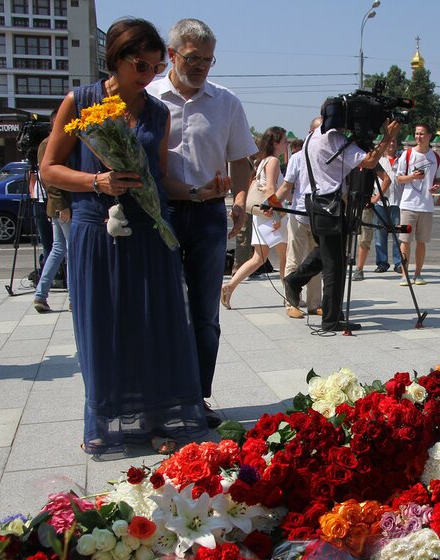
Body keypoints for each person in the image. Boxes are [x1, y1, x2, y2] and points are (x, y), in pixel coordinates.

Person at [40, 18, 208, 455]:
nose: (148, 76)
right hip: (97, 230)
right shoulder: (80, 101)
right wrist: (97, 182)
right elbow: (49, 169)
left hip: (150, 232)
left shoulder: (158, 112)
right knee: (105, 327)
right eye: (141, 65)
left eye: (154, 67)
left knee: (153, 325)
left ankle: (155, 420)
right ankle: (107, 422)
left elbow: (159, 177)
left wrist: (195, 192)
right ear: (115, 58)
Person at [147, 18, 256, 427]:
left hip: (210, 217)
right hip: (161, 214)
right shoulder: (150, 96)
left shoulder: (226, 102)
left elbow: (240, 159)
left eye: (208, 61)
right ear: (172, 54)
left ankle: (197, 397)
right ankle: (162, 396)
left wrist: (241, 199)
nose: (202, 68)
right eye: (193, 59)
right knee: (163, 308)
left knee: (206, 312)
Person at [283, 99, 400, 332]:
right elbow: (369, 161)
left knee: (326, 252)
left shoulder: (312, 136)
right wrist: (387, 137)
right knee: (334, 265)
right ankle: (331, 319)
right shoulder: (333, 138)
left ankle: (295, 280)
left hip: (317, 205)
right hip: (330, 206)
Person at [221, 127, 289, 308]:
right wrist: (278, 215)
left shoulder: (262, 162)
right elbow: (269, 190)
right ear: (275, 142)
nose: (286, 144)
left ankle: (230, 286)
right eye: (284, 140)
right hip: (270, 214)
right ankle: (289, 297)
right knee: (285, 257)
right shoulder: (273, 161)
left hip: (261, 215)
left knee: (258, 258)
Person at [276, 118, 323, 319]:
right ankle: (291, 303)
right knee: (294, 259)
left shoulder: (328, 155)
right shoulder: (297, 157)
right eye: (318, 131)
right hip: (299, 214)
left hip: (321, 216)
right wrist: (272, 205)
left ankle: (314, 304)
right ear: (310, 132)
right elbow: (286, 186)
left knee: (316, 262)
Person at [33, 109, 72, 314]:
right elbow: (49, 178)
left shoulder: (58, 141)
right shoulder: (49, 144)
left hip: (60, 206)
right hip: (61, 206)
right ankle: (74, 298)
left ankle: (41, 295)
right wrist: (61, 205)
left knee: (59, 249)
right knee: (71, 250)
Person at [396, 123, 440, 286]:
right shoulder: (407, 155)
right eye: (416, 134)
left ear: (429, 136)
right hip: (407, 205)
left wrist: (437, 185)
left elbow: (438, 178)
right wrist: (412, 177)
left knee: (422, 241)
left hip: (426, 206)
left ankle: (418, 274)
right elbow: (399, 178)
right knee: (405, 241)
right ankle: (404, 274)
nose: (418, 137)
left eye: (422, 134)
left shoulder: (435, 156)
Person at [351, 165, 392, 281]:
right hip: (347, 204)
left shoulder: (371, 161)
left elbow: (387, 179)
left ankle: (359, 269)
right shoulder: (348, 157)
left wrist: (377, 197)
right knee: (342, 237)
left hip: (365, 206)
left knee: (364, 238)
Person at [374, 142, 403, 273]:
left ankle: (399, 263)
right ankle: (382, 263)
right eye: (389, 141)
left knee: (399, 234)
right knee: (380, 234)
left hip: (398, 202)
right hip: (381, 202)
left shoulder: (402, 159)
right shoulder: (377, 159)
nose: (391, 143)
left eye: (394, 141)